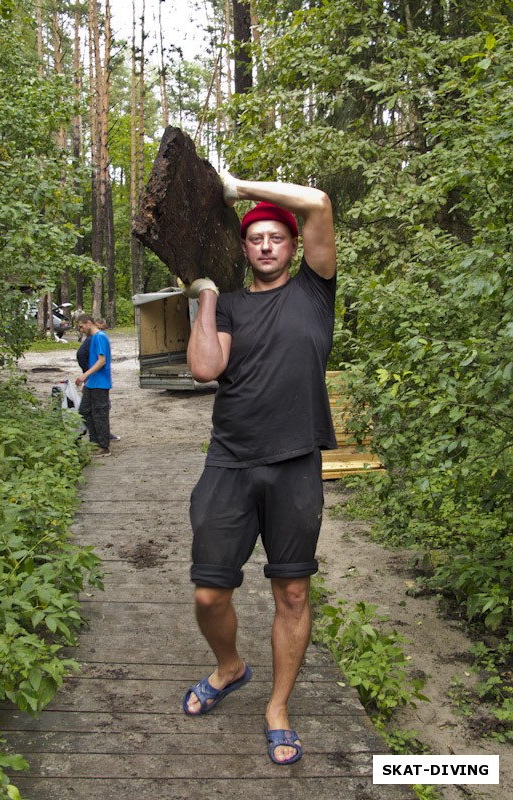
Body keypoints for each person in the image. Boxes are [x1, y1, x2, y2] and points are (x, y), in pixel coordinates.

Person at [181, 175, 337, 766]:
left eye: (277, 237)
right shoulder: (233, 306)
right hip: (230, 461)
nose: (267, 246)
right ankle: (230, 667)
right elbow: (203, 367)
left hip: (295, 463)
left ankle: (278, 708)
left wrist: (237, 187)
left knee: (291, 593)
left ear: (293, 247)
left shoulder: (314, 293)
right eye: (256, 239)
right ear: (244, 250)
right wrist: (207, 294)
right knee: (207, 593)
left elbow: (319, 204)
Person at [76, 317, 121, 443]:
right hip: (92, 382)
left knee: (99, 414)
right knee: (84, 411)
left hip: (100, 382)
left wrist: (85, 374)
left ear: (89, 323)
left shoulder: (100, 336)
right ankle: (94, 441)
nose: (81, 329)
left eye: (81, 326)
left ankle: (103, 446)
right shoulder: (93, 338)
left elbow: (102, 361)